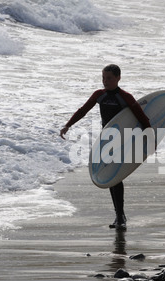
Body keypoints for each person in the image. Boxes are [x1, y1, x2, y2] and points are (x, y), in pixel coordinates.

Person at [60, 64, 152, 231]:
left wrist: (149, 136)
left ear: (118, 78)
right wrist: (68, 125)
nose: (105, 81)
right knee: (111, 177)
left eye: (109, 78)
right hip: (106, 140)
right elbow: (83, 111)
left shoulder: (125, 97)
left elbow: (141, 116)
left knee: (116, 176)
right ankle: (119, 215)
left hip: (122, 140)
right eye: (103, 78)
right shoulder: (99, 95)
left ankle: (120, 215)